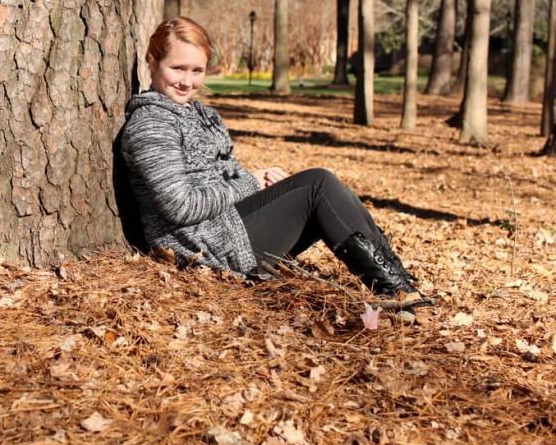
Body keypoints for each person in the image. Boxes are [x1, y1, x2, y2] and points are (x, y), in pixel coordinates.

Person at [119, 16, 425, 299]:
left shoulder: (201, 114)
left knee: (336, 194)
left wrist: (259, 180)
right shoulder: (152, 123)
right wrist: (250, 183)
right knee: (319, 184)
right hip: (202, 247)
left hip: (227, 227)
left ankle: (399, 284)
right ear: (152, 61)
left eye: (197, 71)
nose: (187, 81)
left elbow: (228, 173)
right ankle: (396, 291)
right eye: (178, 68)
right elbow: (179, 206)